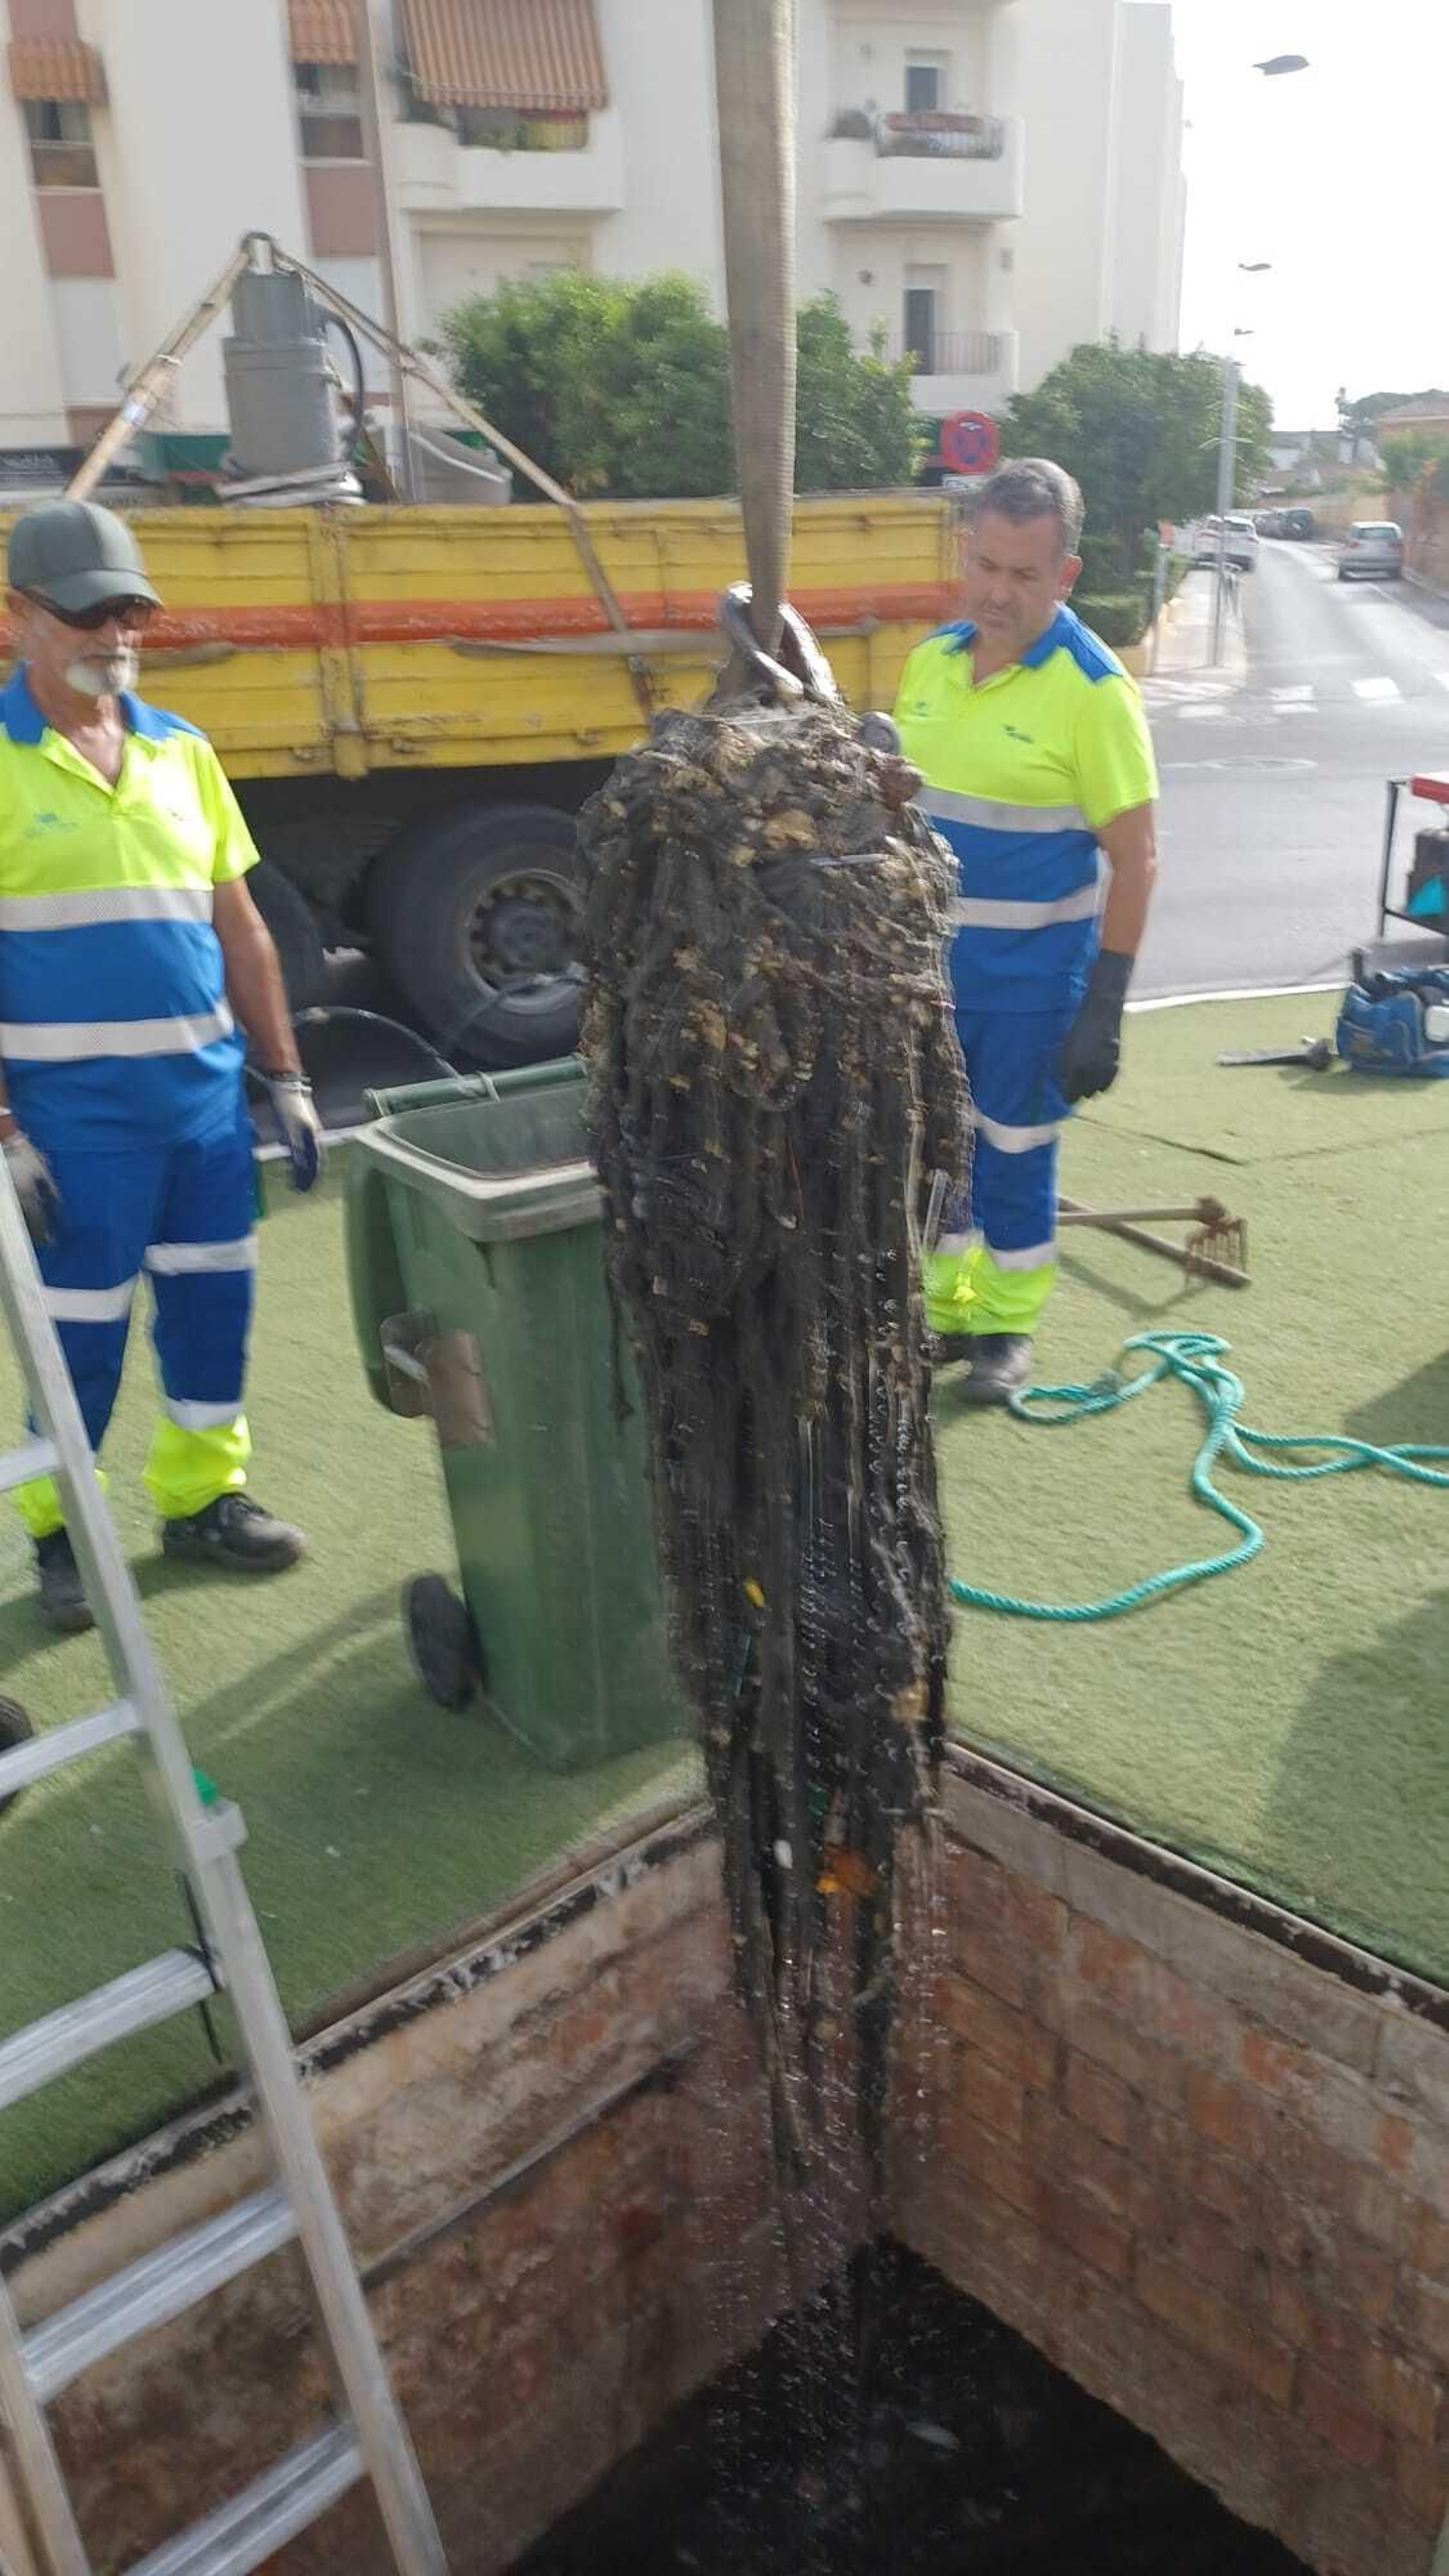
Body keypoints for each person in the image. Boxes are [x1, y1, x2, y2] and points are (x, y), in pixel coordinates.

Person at [0, 499, 324, 1630]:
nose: (114, 634)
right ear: (18, 615)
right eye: (88, 613)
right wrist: (7, 1135)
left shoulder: (182, 750)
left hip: (203, 1117)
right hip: (70, 1131)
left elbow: (241, 928)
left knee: (210, 1316)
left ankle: (202, 1502)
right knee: (77, 1340)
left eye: (129, 612)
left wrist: (286, 1078)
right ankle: (63, 1537)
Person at [894, 458, 1159, 1404]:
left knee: (1011, 1155)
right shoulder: (929, 664)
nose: (998, 593)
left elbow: (1136, 858)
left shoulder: (1093, 692)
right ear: (966, 553)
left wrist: (1105, 1005)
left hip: (1031, 990)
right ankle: (956, 1310)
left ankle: (1005, 1332)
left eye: (1025, 574)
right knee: (941, 1159)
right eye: (986, 566)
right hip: (927, 981)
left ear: (1065, 576)